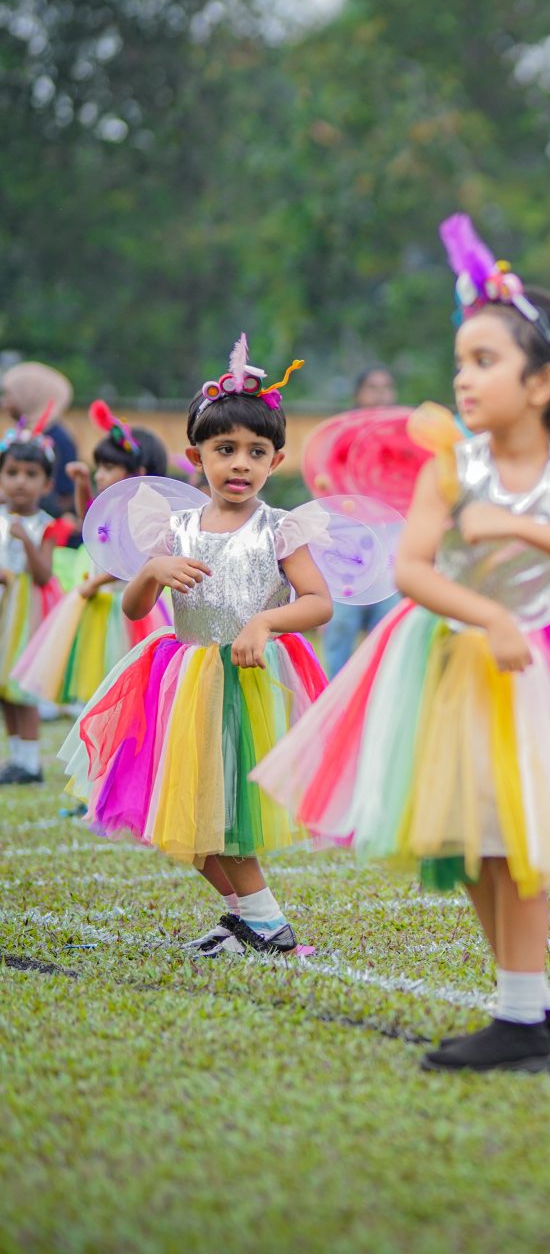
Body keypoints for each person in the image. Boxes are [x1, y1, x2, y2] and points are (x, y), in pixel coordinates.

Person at [252, 216, 550, 1073]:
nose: (465, 378)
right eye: (461, 361)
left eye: (486, 361)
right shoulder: (450, 463)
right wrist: (488, 619)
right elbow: (412, 569)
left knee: (516, 839)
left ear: (545, 380)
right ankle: (528, 1007)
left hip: (546, 663)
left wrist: (521, 528)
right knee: (475, 841)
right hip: (447, 658)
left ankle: (521, 1013)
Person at [60, 335, 334, 955]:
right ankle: (243, 917)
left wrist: (263, 623)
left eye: (256, 452)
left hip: (249, 682)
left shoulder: (281, 529)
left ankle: (270, 926)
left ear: (276, 461)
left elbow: (319, 603)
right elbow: (134, 608)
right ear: (196, 455)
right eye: (225, 449)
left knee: (228, 813)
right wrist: (152, 573)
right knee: (183, 818)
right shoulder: (174, 527)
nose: (240, 464)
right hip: (182, 682)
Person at [13, 402, 171, 714]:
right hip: (98, 602)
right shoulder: (112, 507)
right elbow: (90, 519)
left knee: (123, 670)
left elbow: (134, 562)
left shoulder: (142, 512)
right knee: (97, 671)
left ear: (137, 473)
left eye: (108, 468)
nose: (101, 475)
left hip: (121, 606)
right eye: (99, 467)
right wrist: (82, 484)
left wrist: (96, 581)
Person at [319, 365, 405, 674]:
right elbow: (322, 481)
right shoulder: (341, 438)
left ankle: (380, 699)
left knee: (388, 627)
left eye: (387, 387)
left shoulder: (403, 440)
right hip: (349, 547)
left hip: (389, 546)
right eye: (373, 387)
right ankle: (333, 700)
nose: (381, 394)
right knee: (340, 625)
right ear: (358, 395)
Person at [0, 419, 62, 782]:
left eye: (31, 473)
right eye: (12, 472)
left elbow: (42, 574)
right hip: (3, 610)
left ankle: (32, 762)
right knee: (4, 688)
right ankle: (16, 757)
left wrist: (26, 540)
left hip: (27, 615)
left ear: (46, 483)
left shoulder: (45, 526)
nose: (20, 481)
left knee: (23, 687)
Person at [0, 361, 83, 516]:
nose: (4, 402)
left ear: (28, 395)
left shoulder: (58, 439)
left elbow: (64, 496)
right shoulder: (19, 435)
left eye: (9, 394)